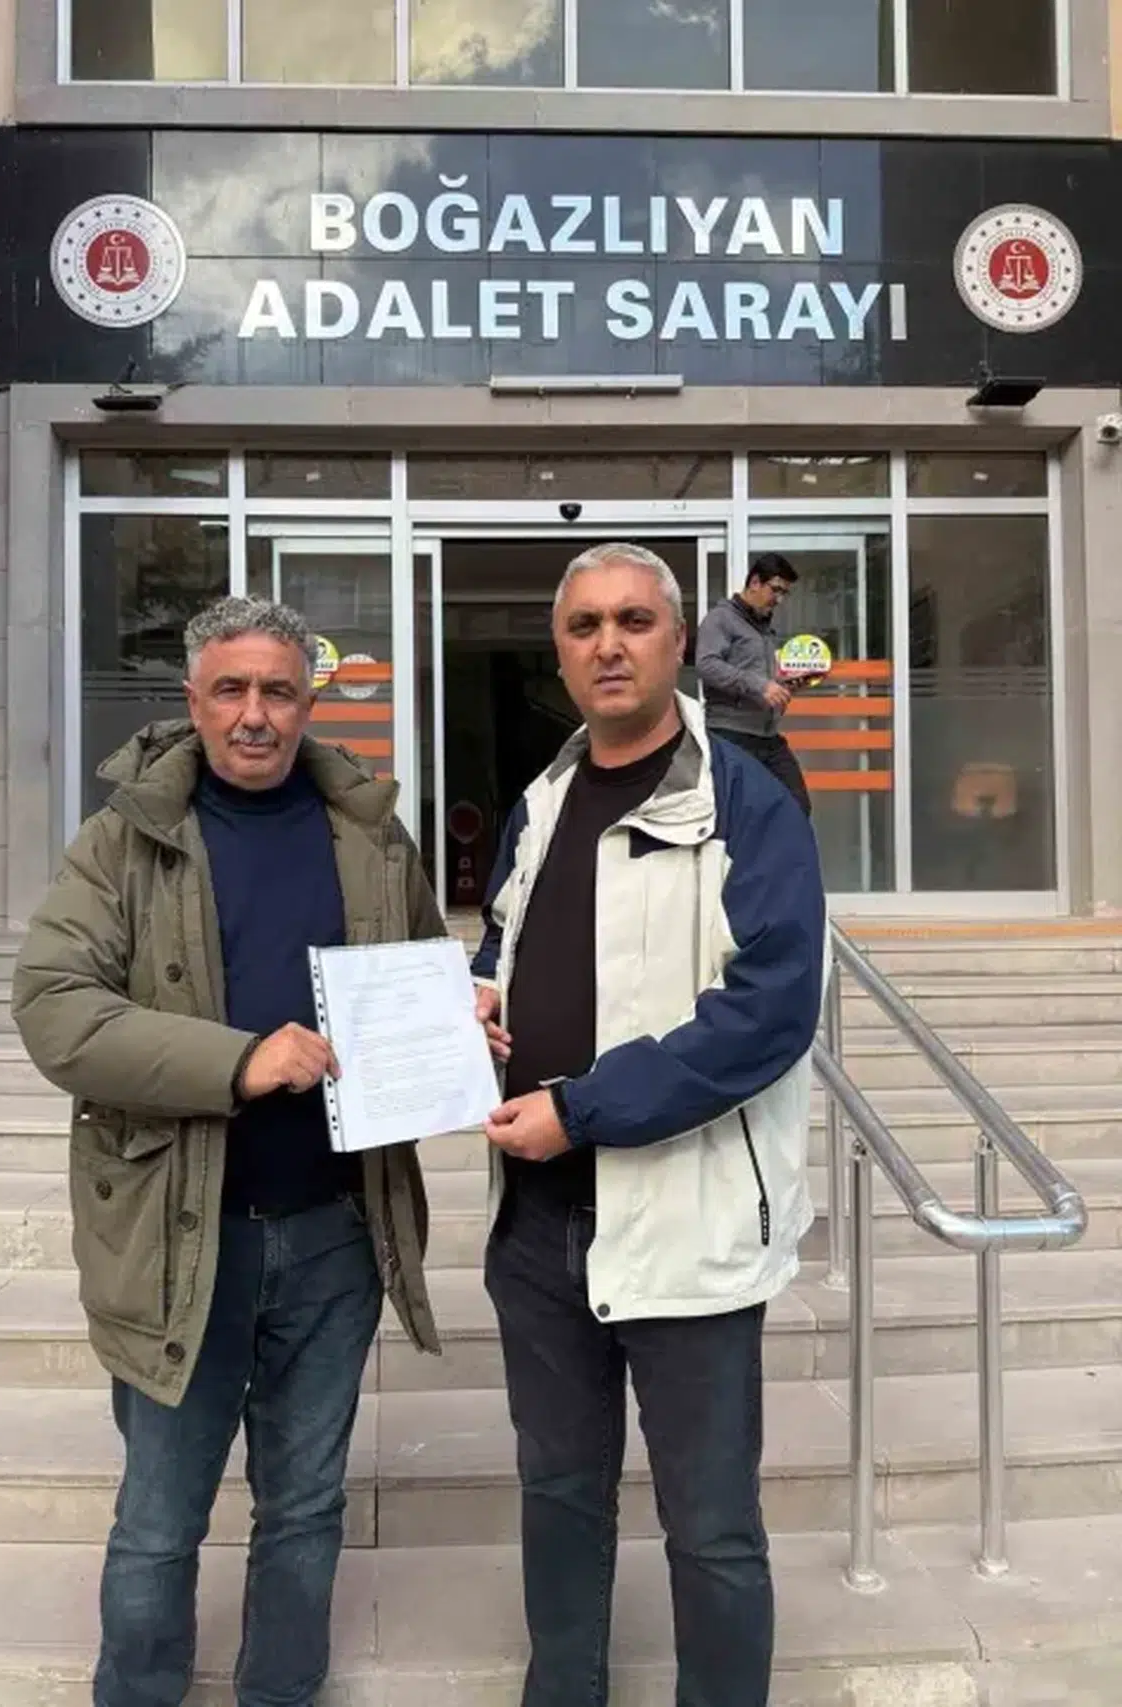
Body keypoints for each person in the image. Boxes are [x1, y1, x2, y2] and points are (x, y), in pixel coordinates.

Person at [11, 596, 442, 1707]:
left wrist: (457, 1019)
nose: (256, 714)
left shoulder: (369, 832)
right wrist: (241, 1060)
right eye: (232, 690)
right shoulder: (124, 840)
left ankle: (281, 1691)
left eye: (278, 691)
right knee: (159, 1520)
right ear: (193, 700)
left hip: (336, 1234)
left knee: (305, 1508)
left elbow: (419, 971)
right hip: (177, 1237)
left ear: (309, 701)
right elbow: (55, 1009)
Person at [472, 542, 826, 1707]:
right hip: (538, 1231)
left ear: (679, 642)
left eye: (633, 620)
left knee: (710, 1527)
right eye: (583, 626)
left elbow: (767, 1012)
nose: (608, 644)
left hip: (687, 1221)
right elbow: (503, 943)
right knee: (557, 1495)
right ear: (559, 653)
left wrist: (580, 1111)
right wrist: (476, 999)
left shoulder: (746, 803)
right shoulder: (538, 802)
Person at [694, 552, 812, 816]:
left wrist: (784, 684)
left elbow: (758, 678)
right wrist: (761, 686)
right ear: (755, 582)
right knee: (735, 815)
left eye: (784, 593)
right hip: (731, 734)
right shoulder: (720, 619)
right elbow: (706, 665)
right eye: (775, 590)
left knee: (796, 806)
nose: (779, 600)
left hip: (767, 737)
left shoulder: (763, 628)